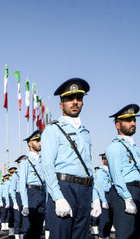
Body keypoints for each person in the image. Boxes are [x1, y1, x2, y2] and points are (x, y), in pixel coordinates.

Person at [41, 78, 101, 239]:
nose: (75, 102)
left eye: (79, 98)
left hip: (85, 189)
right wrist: (58, 197)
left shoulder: (85, 133)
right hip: (64, 188)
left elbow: (89, 167)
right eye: (69, 99)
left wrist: (95, 196)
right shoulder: (53, 130)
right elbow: (47, 166)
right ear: (61, 104)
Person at [106, 104, 140, 238]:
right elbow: (116, 175)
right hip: (125, 192)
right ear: (117, 125)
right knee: (126, 235)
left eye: (134, 119)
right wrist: (127, 198)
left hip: (136, 191)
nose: (132, 123)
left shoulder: (134, 147)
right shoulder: (114, 147)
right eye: (128, 120)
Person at [19, 130, 46, 239]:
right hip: (31, 194)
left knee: (39, 228)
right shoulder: (26, 161)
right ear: (30, 143)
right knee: (30, 228)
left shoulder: (43, 159)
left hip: (42, 193)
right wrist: (25, 203)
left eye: (41, 140)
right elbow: (22, 183)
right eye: (37, 141)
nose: (40, 143)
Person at [96, 154, 113, 239]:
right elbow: (99, 186)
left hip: (112, 195)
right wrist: (103, 200)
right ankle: (102, 236)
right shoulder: (100, 171)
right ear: (102, 160)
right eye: (104, 159)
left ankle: (107, 235)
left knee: (110, 217)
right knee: (104, 218)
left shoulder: (112, 170)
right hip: (105, 195)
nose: (105, 161)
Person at [10, 155, 27, 239]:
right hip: (19, 195)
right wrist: (15, 202)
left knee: (26, 218)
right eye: (22, 162)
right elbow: (12, 189)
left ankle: (24, 235)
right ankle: (17, 235)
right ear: (19, 164)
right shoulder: (16, 175)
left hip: (27, 195)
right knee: (18, 218)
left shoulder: (28, 172)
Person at [4, 167, 17, 236]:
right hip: (10, 198)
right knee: (11, 215)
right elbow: (6, 193)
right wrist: (7, 202)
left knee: (17, 215)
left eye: (14, 172)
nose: (12, 174)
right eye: (11, 173)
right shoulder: (8, 181)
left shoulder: (18, 179)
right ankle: (11, 231)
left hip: (17, 197)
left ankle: (17, 229)